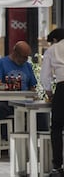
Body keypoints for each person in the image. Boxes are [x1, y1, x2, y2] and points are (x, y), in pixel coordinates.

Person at [0, 41, 47, 139]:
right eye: (23, 56)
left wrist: (34, 96)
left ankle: (42, 141)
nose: (25, 59)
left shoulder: (28, 66)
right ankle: (5, 139)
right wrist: (11, 86)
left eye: (27, 57)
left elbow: (32, 86)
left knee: (41, 112)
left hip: (25, 101)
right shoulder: (1, 63)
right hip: (6, 101)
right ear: (15, 53)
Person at [40, 28, 64, 177]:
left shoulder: (52, 50)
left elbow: (45, 76)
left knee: (56, 126)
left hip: (62, 88)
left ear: (54, 40)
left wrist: (49, 93)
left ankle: (57, 166)